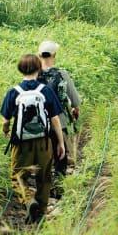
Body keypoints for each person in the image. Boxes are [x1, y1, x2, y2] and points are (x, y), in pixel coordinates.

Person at [0, 53, 65, 224]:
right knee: (44, 177)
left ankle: (28, 200)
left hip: (21, 143)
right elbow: (55, 119)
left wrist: (6, 130)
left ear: (20, 69)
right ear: (39, 69)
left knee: (17, 176)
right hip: (43, 142)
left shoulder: (13, 92)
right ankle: (41, 213)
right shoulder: (46, 91)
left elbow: (5, 120)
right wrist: (60, 143)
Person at [37, 39, 82, 175]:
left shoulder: (32, 73)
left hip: (37, 120)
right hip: (59, 120)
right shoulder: (61, 74)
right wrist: (75, 109)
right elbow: (74, 99)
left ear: (39, 55)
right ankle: (59, 179)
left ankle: (43, 180)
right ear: (54, 55)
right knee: (60, 151)